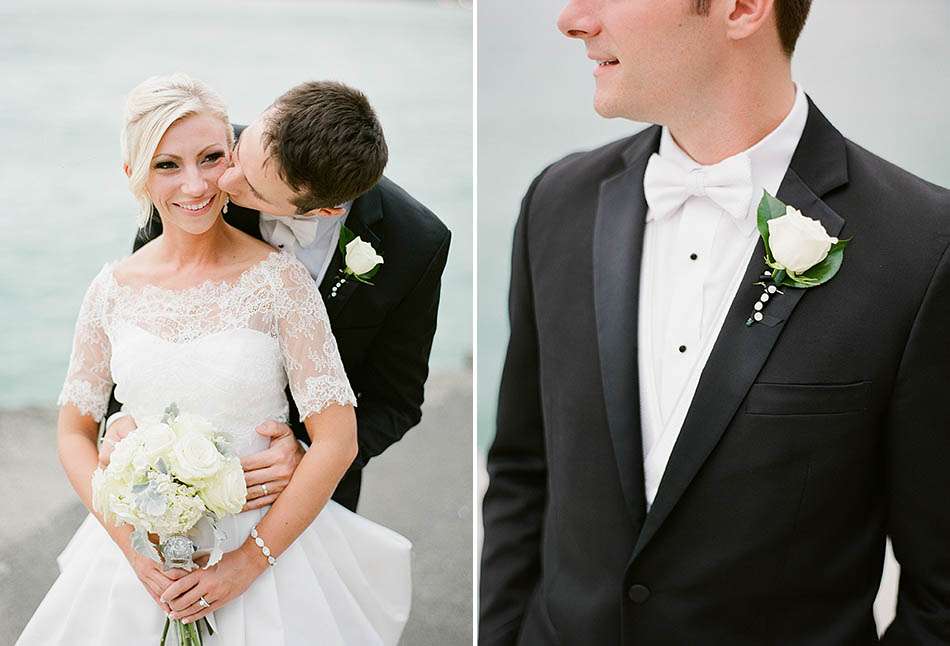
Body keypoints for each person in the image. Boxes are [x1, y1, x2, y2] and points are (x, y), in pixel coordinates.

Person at [479, 1, 950, 644]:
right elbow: (521, 473)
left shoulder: (923, 247)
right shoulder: (556, 202)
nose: (571, 19)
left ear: (742, 8)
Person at [18, 74, 411, 645]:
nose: (196, 184)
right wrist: (130, 545)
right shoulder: (111, 290)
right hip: (143, 555)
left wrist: (246, 564)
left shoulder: (280, 282)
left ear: (233, 155)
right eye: (167, 165)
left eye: (209, 158)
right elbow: (75, 431)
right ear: (134, 175)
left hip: (263, 548)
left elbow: (338, 437)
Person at [101, 79, 451, 514]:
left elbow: (397, 400)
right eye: (238, 152)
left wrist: (307, 454)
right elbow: (144, 321)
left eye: (251, 187)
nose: (222, 180)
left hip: (307, 501)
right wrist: (121, 421)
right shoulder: (195, 168)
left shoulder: (416, 242)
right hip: (166, 486)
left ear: (324, 210)